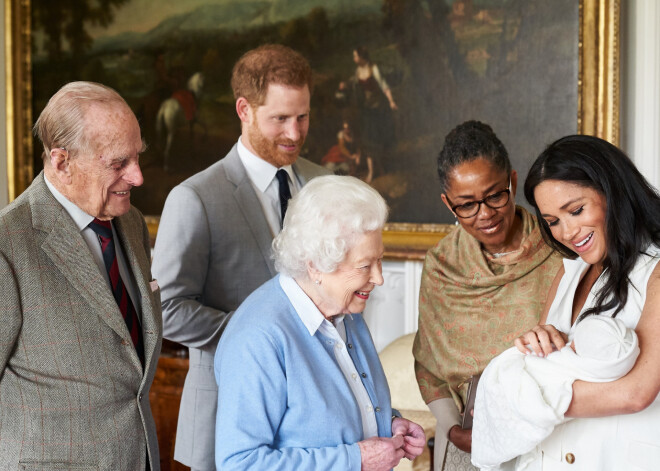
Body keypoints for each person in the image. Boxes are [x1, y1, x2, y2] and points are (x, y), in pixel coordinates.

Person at [151, 44, 329, 471]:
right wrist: (261, 335)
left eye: (302, 116)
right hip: (227, 414)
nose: (294, 132)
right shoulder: (194, 197)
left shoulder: (325, 183)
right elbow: (165, 309)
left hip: (315, 422)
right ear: (244, 109)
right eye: (280, 119)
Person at [0, 82, 162, 469]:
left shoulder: (132, 224)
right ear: (61, 162)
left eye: (137, 157)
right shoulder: (8, 244)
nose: (137, 176)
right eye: (118, 163)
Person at [214, 175, 426, 470]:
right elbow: (240, 463)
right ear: (315, 265)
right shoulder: (258, 339)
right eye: (365, 266)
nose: (378, 278)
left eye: (380, 261)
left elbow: (332, 417)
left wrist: (389, 423)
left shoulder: (346, 310)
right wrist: (356, 460)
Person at [412, 121, 562, 470]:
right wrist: (453, 430)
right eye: (467, 205)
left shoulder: (559, 247)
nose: (485, 215)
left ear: (512, 181)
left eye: (495, 195)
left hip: (551, 434)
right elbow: (428, 367)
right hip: (470, 440)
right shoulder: (442, 267)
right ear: (448, 205)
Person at [512, 134, 660, 470]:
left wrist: (520, 396)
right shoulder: (568, 273)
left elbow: (636, 393)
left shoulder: (655, 273)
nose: (566, 232)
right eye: (552, 222)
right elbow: (545, 361)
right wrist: (535, 344)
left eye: (576, 210)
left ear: (613, 191)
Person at [472, 315, 639, 470]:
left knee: (507, 388)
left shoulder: (572, 371)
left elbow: (540, 407)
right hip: (524, 375)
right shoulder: (613, 364)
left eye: (575, 344)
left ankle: (488, 428)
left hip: (525, 385)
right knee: (502, 381)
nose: (571, 345)